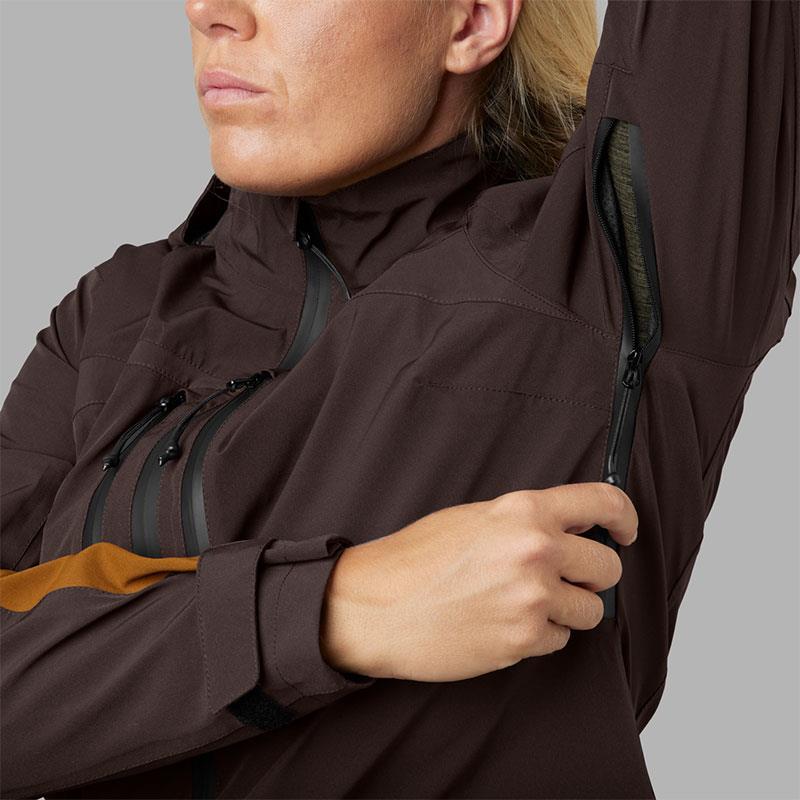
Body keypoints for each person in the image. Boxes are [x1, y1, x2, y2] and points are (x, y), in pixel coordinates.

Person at [0, 0, 796, 797]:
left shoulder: (614, 273)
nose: (211, 12)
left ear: (472, 21)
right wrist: (340, 610)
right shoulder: (119, 313)